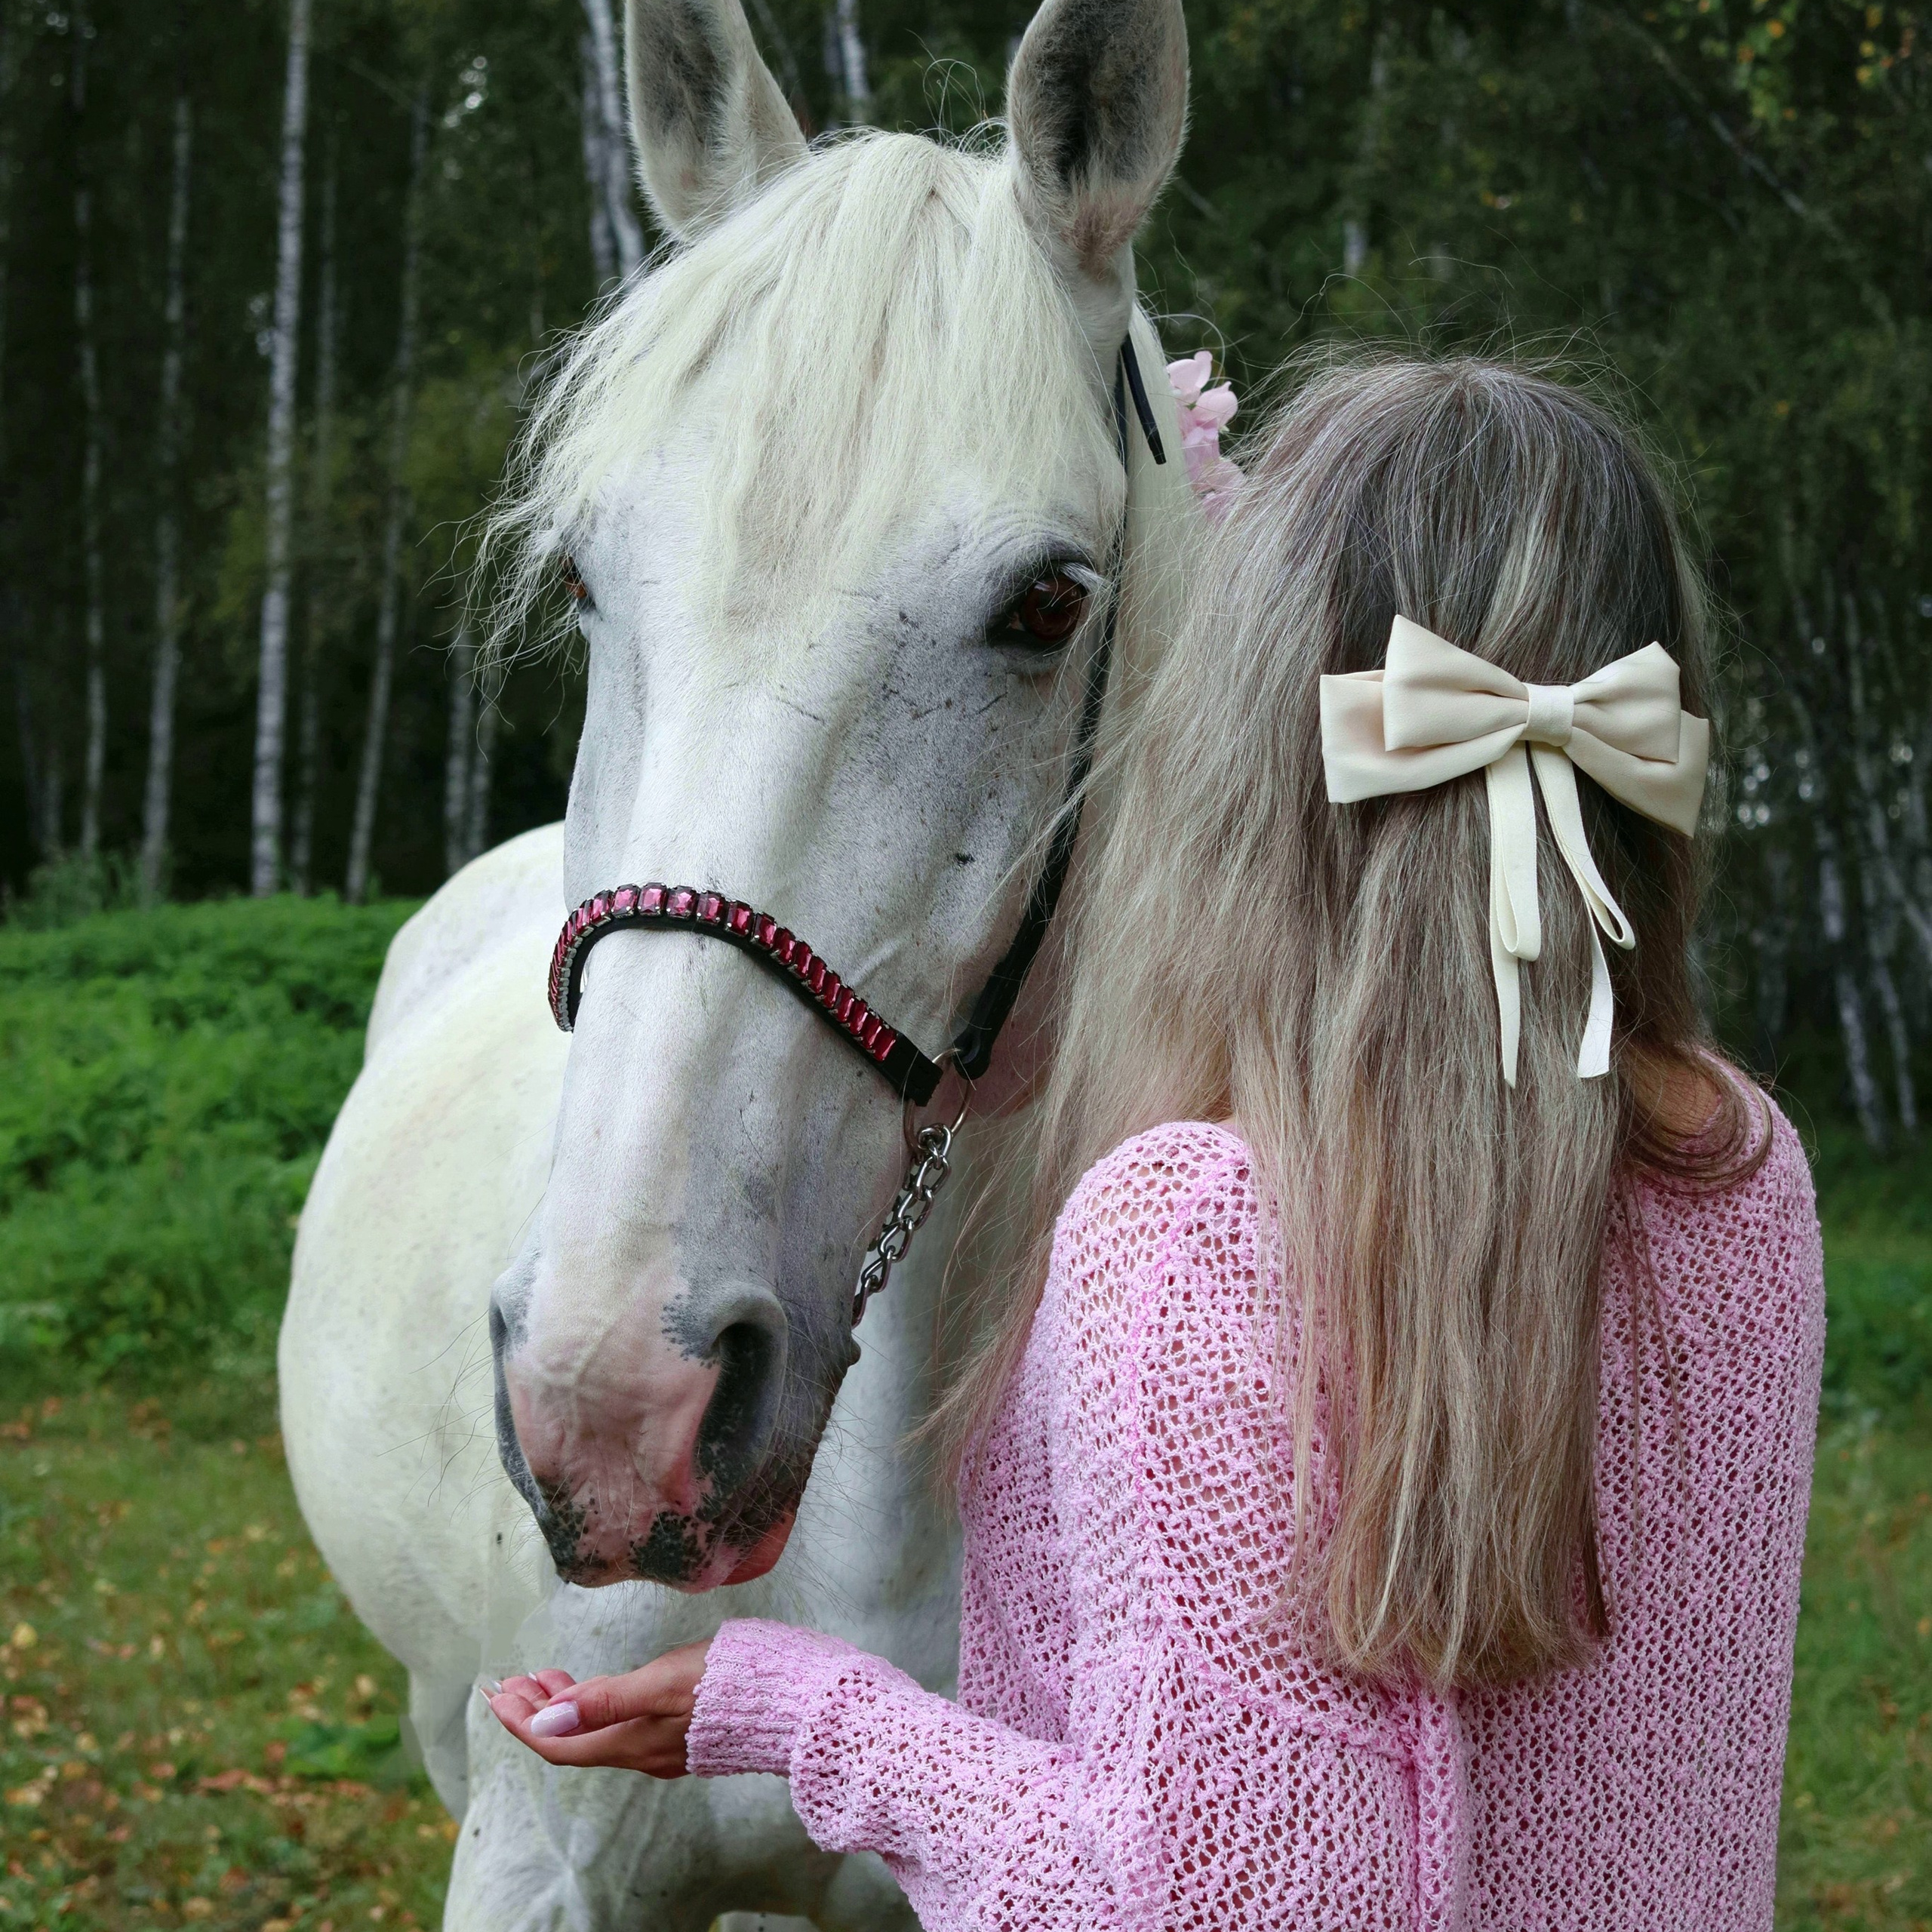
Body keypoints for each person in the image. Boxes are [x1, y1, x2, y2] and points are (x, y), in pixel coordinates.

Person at [486, 355, 1825, 1929]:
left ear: (1250, 717)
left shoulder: (1198, 1229)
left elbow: (1209, 1900)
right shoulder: (1747, 1172)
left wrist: (799, 1712)